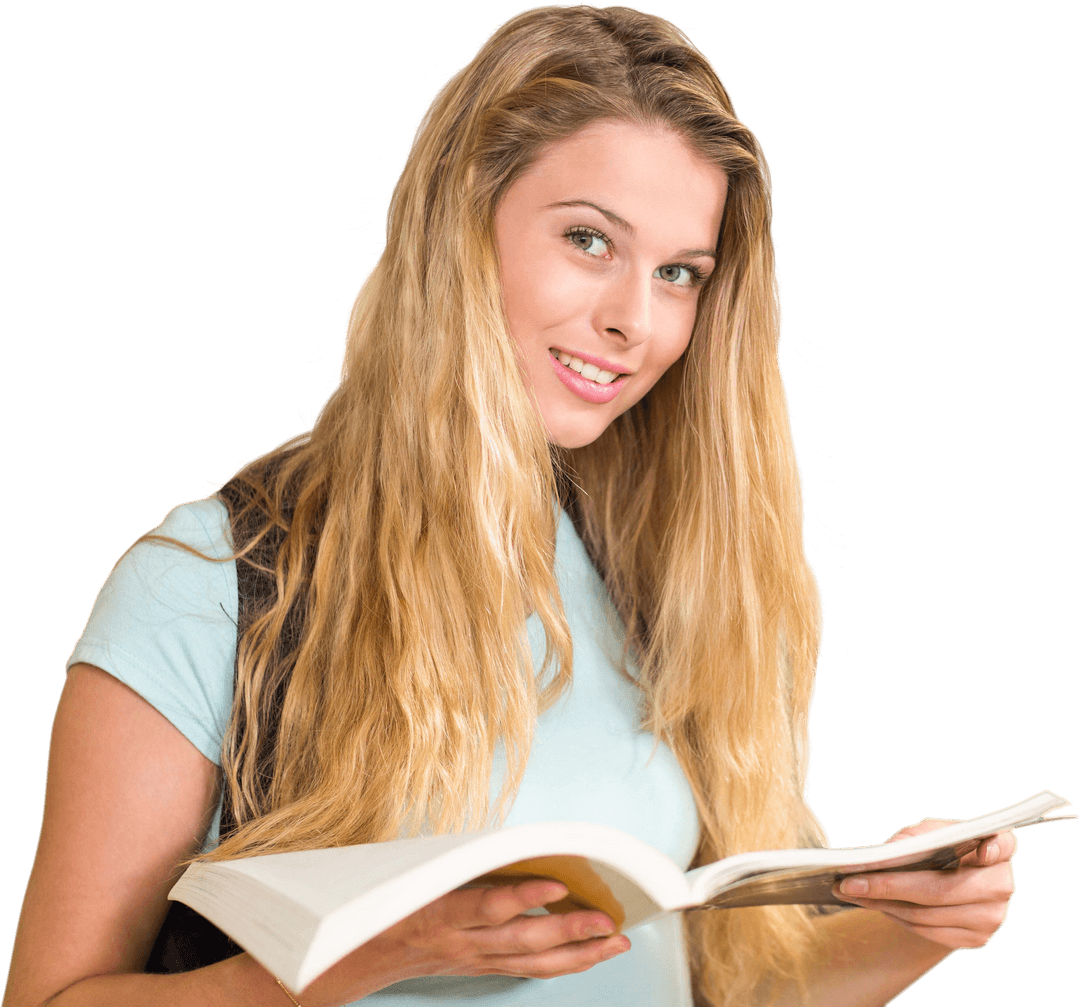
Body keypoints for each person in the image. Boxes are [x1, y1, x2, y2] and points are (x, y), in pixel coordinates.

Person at [2, 6, 1020, 1007]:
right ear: (461, 224)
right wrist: (361, 958)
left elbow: (710, 990)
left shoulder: (652, 574)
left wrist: (915, 921)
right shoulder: (210, 585)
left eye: (678, 273)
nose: (634, 319)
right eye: (589, 240)